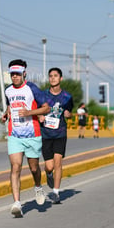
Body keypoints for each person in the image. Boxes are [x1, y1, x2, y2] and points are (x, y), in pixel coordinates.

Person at [2, 59, 50, 217]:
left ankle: (38, 187)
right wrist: (6, 113)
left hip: (32, 134)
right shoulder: (8, 90)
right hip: (14, 134)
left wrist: (29, 113)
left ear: (24, 73)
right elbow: (10, 105)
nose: (14, 77)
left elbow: (46, 108)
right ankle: (17, 203)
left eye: (17, 74)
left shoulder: (32, 89)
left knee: (34, 168)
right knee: (15, 167)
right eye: (12, 74)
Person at [39, 67, 73, 204]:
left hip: (60, 133)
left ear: (61, 78)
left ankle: (56, 193)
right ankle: (48, 174)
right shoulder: (42, 95)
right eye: (51, 76)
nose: (53, 78)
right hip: (46, 134)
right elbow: (36, 109)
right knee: (49, 166)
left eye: (55, 76)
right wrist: (40, 115)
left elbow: (70, 112)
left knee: (58, 162)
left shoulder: (67, 97)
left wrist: (68, 114)